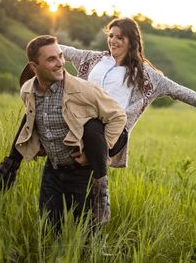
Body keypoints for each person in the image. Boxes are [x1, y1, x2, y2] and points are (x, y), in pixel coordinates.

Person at [0, 17, 196, 222]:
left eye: (119, 37)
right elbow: (58, 52)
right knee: (31, 116)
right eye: (110, 36)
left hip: (112, 131)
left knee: (93, 126)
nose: (113, 41)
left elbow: (179, 90)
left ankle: (102, 193)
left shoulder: (145, 75)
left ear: (132, 41)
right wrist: (33, 68)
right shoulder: (94, 59)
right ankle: (5, 175)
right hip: (81, 125)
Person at [10, 35, 126, 231]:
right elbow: (33, 119)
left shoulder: (84, 90)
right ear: (33, 67)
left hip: (82, 174)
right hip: (52, 172)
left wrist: (96, 152)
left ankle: (101, 193)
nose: (60, 64)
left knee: (88, 237)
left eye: (61, 57)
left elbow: (118, 116)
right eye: (51, 59)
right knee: (47, 233)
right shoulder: (27, 90)